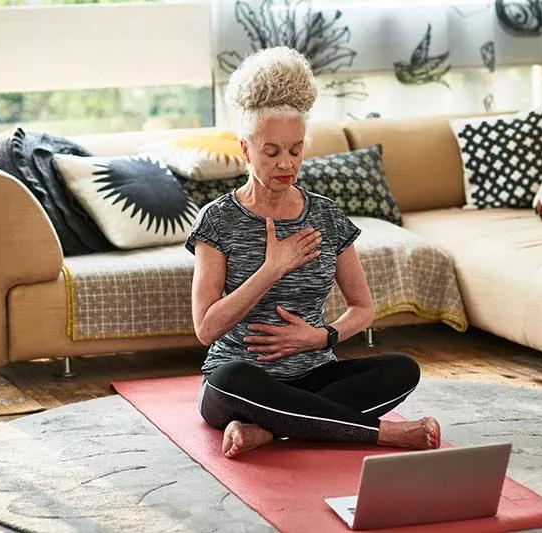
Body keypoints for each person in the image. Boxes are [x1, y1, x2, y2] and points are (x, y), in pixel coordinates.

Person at [185, 46, 441, 459]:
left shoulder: (326, 216)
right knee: (230, 379)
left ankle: (270, 430)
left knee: (402, 370)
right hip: (240, 382)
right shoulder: (217, 221)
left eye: (296, 150)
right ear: (246, 150)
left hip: (313, 375)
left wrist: (320, 337)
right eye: (271, 152)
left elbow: (363, 308)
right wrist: (271, 269)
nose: (286, 164)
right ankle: (382, 435)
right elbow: (206, 328)